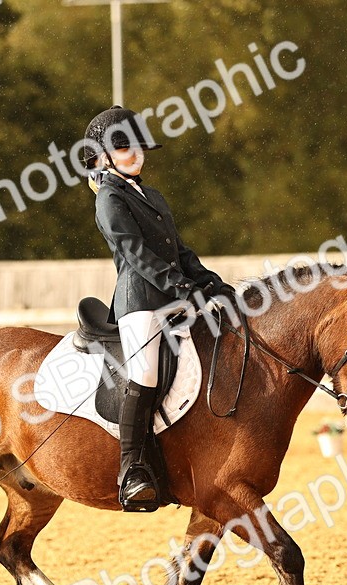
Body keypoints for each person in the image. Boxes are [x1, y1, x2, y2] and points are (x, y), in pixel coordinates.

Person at [82, 105, 234, 510]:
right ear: (104, 155)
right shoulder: (110, 198)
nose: (136, 155)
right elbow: (135, 254)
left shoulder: (151, 195)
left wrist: (208, 281)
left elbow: (178, 250)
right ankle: (131, 468)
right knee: (145, 372)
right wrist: (182, 286)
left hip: (173, 294)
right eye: (125, 148)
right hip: (141, 301)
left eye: (139, 148)